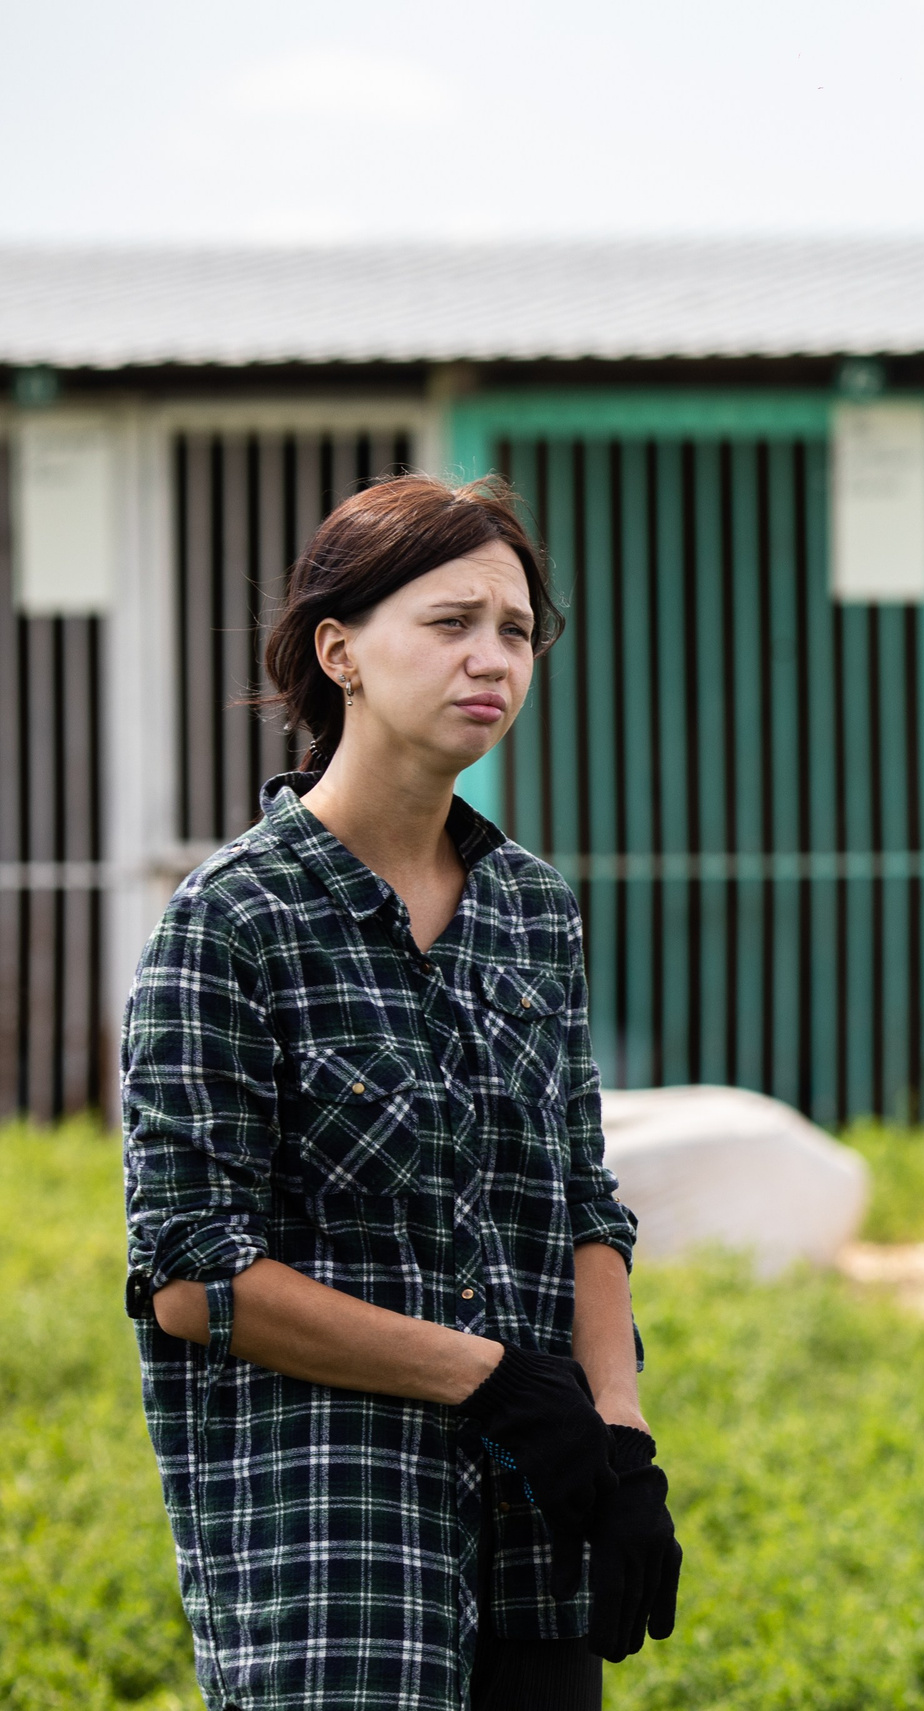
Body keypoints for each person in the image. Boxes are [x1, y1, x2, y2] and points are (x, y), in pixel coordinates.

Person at [121, 475, 682, 1711]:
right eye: (450, 622)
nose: (492, 658)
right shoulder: (234, 919)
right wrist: (486, 1376)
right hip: (336, 1547)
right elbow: (194, 1277)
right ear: (342, 653)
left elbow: (584, 1201)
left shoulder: (534, 911)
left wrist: (619, 1436)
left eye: (517, 630)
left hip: (539, 1532)